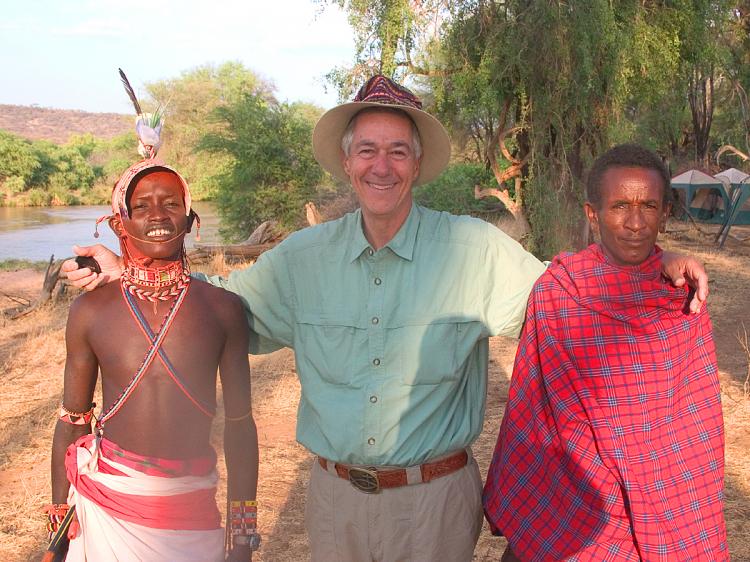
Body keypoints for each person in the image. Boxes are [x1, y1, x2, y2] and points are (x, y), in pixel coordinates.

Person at [62, 77, 709, 562]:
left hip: (435, 504)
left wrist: (654, 261)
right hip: (335, 501)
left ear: (418, 165)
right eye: (367, 149)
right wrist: (129, 276)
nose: (382, 165)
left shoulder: (475, 250)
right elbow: (214, 307)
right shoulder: (302, 259)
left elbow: (575, 300)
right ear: (345, 162)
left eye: (398, 151)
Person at [483, 144, 727, 561]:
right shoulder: (559, 293)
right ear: (592, 214)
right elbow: (532, 413)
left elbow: (696, 432)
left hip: (666, 503)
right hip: (578, 507)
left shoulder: (685, 299)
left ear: (665, 213)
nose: (635, 222)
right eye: (619, 206)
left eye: (648, 205)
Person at [47, 127, 259, 560]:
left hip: (192, 510)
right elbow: (72, 419)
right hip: (108, 506)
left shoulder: (222, 309)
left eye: (171, 204)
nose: (158, 216)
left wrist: (242, 533)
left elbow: (240, 426)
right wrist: (58, 519)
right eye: (141, 206)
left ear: (190, 217)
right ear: (117, 222)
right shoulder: (91, 311)